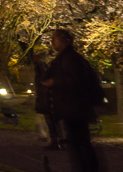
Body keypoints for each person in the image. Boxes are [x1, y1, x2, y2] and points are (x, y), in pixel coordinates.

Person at [43, 29, 104, 172]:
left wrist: (55, 82)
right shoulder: (65, 58)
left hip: (75, 107)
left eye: (55, 38)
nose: (52, 41)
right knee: (78, 142)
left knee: (80, 143)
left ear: (66, 41)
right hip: (72, 107)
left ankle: (87, 168)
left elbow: (77, 81)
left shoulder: (71, 59)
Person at [32, 50, 60, 150]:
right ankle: (55, 140)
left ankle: (55, 141)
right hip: (44, 97)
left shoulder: (41, 68)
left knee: (51, 121)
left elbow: (43, 80)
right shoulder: (41, 67)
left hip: (46, 98)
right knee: (50, 121)